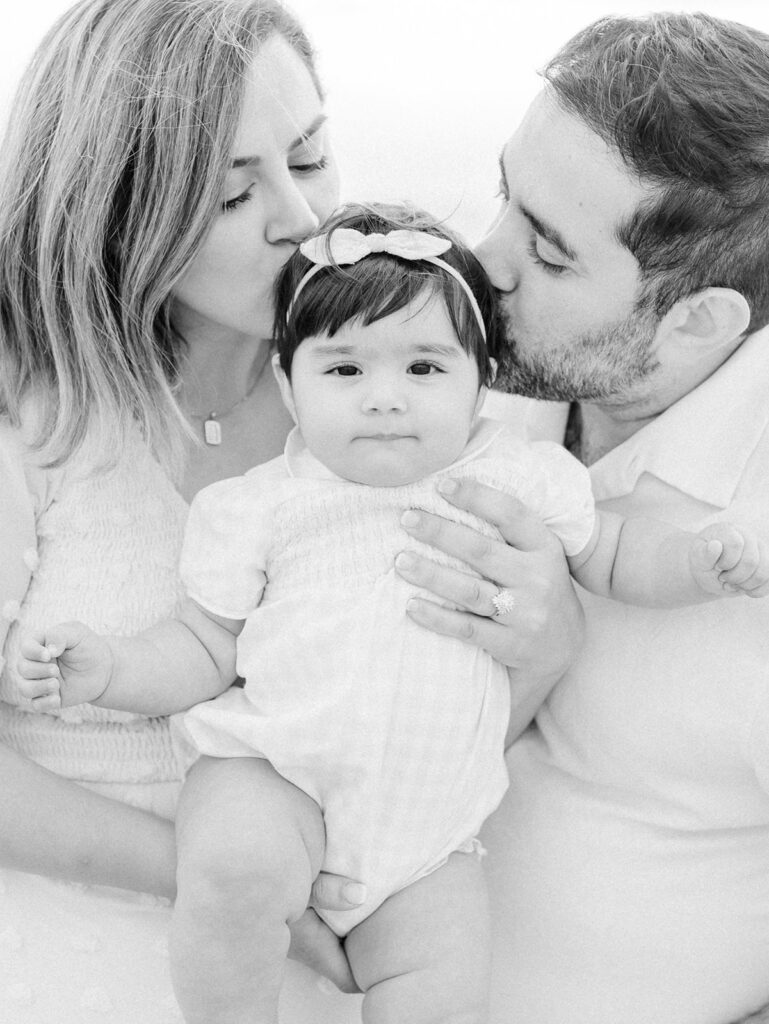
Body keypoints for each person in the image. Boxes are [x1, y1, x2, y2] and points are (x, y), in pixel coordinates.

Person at [18, 199, 769, 1024]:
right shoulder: (263, 505)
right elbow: (202, 648)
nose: (384, 399)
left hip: (430, 828)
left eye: (422, 370)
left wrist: (700, 561)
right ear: (287, 382)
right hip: (275, 771)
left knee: (440, 980)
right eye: (344, 371)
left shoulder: (524, 477)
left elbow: (619, 556)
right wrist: (110, 668)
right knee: (231, 876)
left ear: (478, 378)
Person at [0, 2, 579, 1022]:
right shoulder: (34, 410)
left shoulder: (400, 401)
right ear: (120, 215)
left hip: (347, 928)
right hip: (96, 921)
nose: (300, 218)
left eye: (309, 158)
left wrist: (545, 641)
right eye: (232, 195)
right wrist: (225, 881)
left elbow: (442, 711)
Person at [434, 12, 769, 1024]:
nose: (479, 260)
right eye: (505, 194)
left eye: (549, 253)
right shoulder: (443, 356)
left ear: (697, 322)